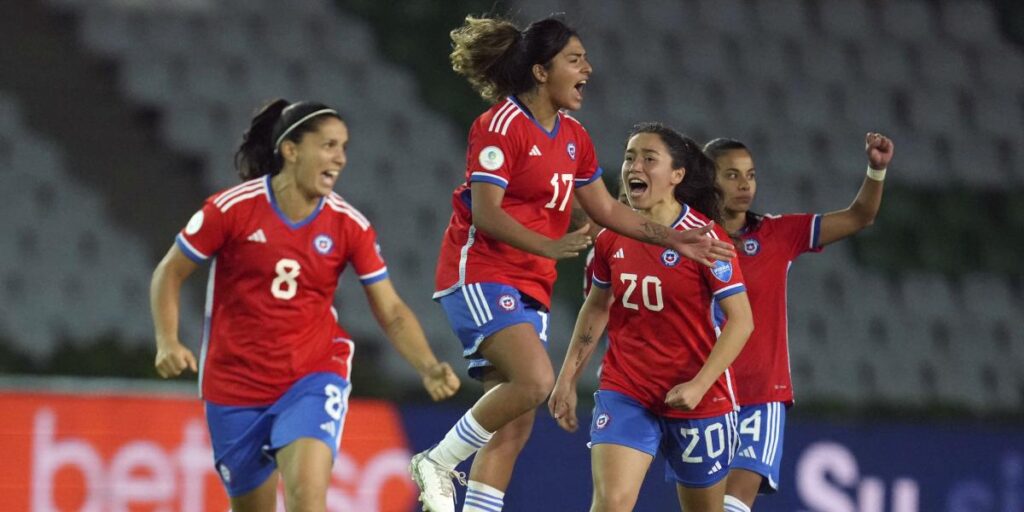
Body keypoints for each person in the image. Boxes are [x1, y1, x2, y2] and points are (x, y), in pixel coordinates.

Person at [408, 15, 736, 512]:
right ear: (542, 71)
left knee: (514, 422)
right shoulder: (499, 126)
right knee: (535, 381)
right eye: (576, 59)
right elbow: (486, 213)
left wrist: (676, 240)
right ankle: (436, 460)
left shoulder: (575, 137)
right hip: (480, 272)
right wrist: (548, 246)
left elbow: (605, 210)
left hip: (530, 286)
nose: (588, 68)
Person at [150, 99, 460, 512]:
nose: (340, 158)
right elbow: (169, 272)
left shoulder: (349, 225)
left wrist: (427, 365)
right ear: (291, 150)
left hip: (310, 377)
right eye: (329, 145)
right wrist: (167, 341)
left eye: (344, 147)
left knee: (307, 499)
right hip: (234, 386)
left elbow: (391, 309)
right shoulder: (231, 209)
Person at [548, 123, 754, 512]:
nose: (633, 167)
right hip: (627, 389)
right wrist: (567, 377)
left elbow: (741, 321)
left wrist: (697, 385)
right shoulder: (612, 235)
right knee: (610, 504)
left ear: (677, 176)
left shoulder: (705, 239)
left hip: (698, 398)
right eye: (629, 157)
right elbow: (597, 306)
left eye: (648, 158)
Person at [704, 133, 894, 512]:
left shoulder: (776, 234)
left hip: (761, 395)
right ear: (707, 180)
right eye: (732, 175)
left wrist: (876, 169)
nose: (745, 184)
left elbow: (860, 216)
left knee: (731, 503)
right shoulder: (685, 240)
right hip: (702, 393)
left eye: (751, 175)